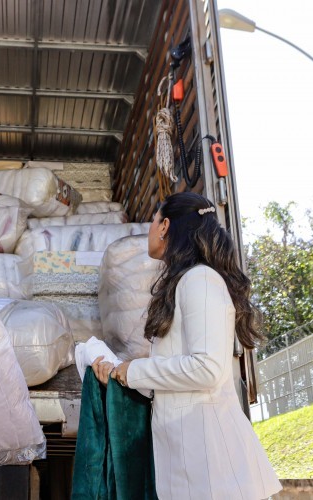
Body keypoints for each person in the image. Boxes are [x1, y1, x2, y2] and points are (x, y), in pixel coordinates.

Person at [92, 192, 282, 500]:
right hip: (191, 466)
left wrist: (133, 371)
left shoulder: (201, 280)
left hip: (213, 472)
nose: (150, 229)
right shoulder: (185, 282)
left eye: (154, 220)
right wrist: (118, 374)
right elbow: (177, 377)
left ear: (165, 226)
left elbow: (206, 369)